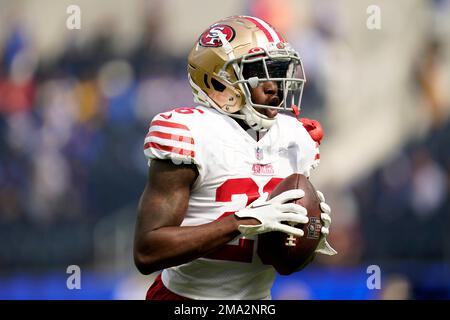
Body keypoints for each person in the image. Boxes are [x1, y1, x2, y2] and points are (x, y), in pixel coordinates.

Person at [133, 15, 336, 300]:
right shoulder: (189, 133)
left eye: (277, 70)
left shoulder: (296, 138)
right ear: (217, 82)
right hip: (186, 300)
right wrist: (242, 222)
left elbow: (284, 264)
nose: (273, 86)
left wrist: (309, 238)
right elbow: (147, 251)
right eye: (258, 72)